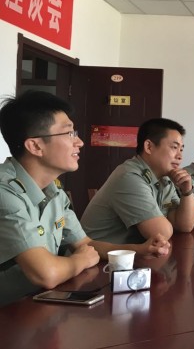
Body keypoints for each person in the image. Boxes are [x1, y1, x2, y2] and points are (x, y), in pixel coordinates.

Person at [0, 91, 167, 307]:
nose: (79, 142)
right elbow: (46, 274)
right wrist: (80, 260)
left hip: (39, 305)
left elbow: (86, 244)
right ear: (35, 146)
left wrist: (141, 249)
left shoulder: (53, 190)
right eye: (69, 133)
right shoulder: (6, 192)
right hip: (10, 313)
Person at [81, 118, 194, 246]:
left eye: (181, 149)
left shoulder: (165, 179)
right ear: (149, 147)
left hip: (130, 254)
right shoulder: (129, 176)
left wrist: (187, 191)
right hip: (98, 256)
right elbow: (161, 233)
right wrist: (167, 221)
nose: (180, 156)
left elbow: (185, 226)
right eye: (174, 147)